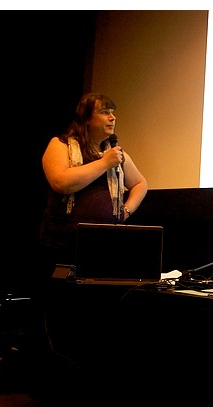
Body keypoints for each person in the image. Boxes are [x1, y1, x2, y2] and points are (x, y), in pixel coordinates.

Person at [38, 92, 148, 276]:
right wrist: (104, 163)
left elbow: (140, 183)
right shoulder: (61, 145)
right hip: (62, 246)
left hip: (104, 246)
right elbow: (61, 182)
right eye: (105, 112)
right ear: (86, 119)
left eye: (112, 112)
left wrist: (125, 211)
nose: (112, 117)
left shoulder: (114, 155)